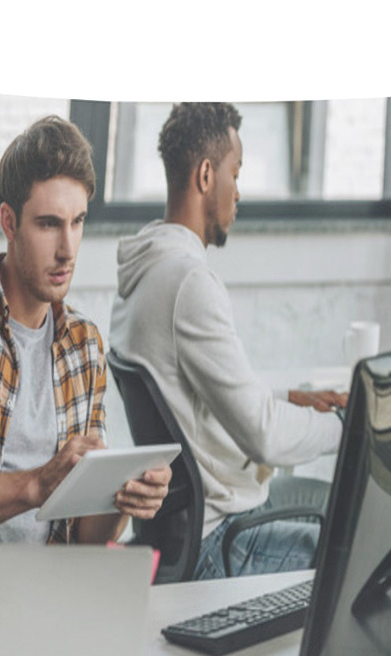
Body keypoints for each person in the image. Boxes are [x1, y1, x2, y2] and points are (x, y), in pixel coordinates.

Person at [0, 115, 171, 608]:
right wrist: (36, 484)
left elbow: (84, 537)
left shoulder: (85, 345)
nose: (67, 249)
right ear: (9, 221)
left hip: (46, 605)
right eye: (49, 224)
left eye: (78, 222)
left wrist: (122, 499)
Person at [109, 102, 345, 580]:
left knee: (324, 504)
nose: (238, 192)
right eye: (234, 174)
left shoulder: (141, 273)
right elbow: (265, 436)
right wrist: (348, 424)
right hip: (217, 543)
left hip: (184, 531)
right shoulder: (188, 282)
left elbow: (192, 409)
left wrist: (288, 400)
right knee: (361, 554)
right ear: (205, 175)